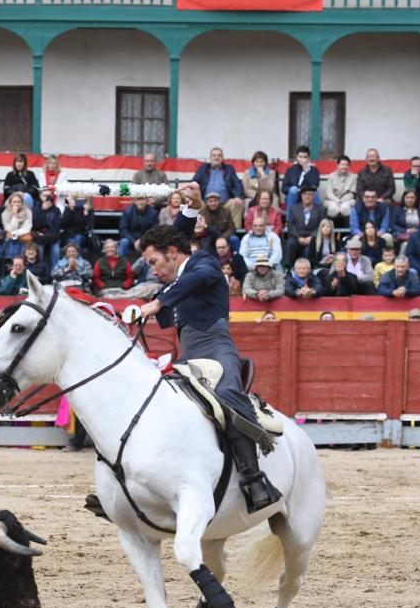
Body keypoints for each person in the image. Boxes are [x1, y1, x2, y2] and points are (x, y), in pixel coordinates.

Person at [136, 224, 281, 513]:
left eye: (154, 261)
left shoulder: (204, 263)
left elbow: (198, 278)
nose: (152, 269)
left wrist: (158, 303)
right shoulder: (176, 282)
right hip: (187, 355)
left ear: (173, 253)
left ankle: (254, 480)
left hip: (215, 347)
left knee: (227, 393)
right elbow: (178, 277)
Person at [191, 146, 245, 229]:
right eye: (214, 155)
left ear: (222, 158)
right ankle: (198, 231)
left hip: (225, 203)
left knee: (237, 204)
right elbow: (194, 183)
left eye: (219, 155)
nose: (216, 157)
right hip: (205, 203)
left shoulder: (229, 169)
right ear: (210, 158)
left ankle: (235, 231)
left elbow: (238, 184)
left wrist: (237, 196)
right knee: (195, 203)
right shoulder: (203, 169)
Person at [285, 185, 322, 267]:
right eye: (305, 194)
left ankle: (309, 269)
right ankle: (290, 269)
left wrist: (312, 237)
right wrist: (298, 238)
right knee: (290, 243)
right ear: (301, 196)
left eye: (309, 194)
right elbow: (291, 225)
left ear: (313, 196)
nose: (307, 196)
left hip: (312, 238)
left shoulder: (320, 209)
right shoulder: (294, 208)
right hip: (297, 237)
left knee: (313, 244)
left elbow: (321, 225)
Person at [281, 145, 321, 213]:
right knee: (293, 189)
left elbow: (315, 185)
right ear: (297, 157)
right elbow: (284, 188)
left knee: (315, 192)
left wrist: (307, 171)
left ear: (308, 158)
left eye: (305, 157)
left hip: (307, 195)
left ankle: (317, 218)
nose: (302, 159)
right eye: (300, 157)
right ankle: (289, 218)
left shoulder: (313, 170)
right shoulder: (290, 170)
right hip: (294, 195)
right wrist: (295, 189)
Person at [118, 193, 159, 257]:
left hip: (146, 240)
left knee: (154, 243)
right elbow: (123, 229)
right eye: (138, 199)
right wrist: (134, 241)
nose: (141, 202)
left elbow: (154, 230)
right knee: (124, 241)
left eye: (143, 199)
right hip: (130, 239)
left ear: (147, 201)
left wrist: (142, 240)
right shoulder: (127, 211)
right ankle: (119, 262)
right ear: (134, 201)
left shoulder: (153, 213)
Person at [324, 155, 356, 223]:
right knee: (333, 208)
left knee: (345, 207)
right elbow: (329, 193)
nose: (344, 167)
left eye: (346, 165)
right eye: (342, 164)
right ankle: (329, 226)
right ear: (338, 165)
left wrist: (341, 201)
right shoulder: (331, 176)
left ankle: (349, 227)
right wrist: (337, 201)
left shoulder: (353, 177)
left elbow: (351, 194)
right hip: (332, 200)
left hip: (347, 200)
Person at [1, 191, 34, 259]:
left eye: (19, 202)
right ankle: (10, 260)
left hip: (22, 234)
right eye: (14, 202)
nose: (16, 204)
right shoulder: (5, 213)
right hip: (10, 234)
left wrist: (16, 234)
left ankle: (23, 259)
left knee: (23, 241)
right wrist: (15, 216)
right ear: (10, 203)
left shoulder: (28, 212)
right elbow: (9, 229)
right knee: (10, 240)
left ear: (22, 203)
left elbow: (27, 227)